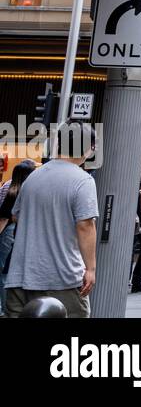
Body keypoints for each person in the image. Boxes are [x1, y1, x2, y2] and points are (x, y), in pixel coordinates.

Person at [3, 123, 98, 318]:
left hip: (20, 276)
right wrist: (90, 268)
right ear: (89, 148)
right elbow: (85, 225)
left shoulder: (33, 177)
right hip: (61, 278)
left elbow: (16, 215)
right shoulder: (83, 180)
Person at [0, 159, 37, 312]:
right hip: (25, 233)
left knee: (4, 271)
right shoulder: (32, 190)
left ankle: (4, 307)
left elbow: (4, 216)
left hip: (7, 231)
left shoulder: (8, 187)